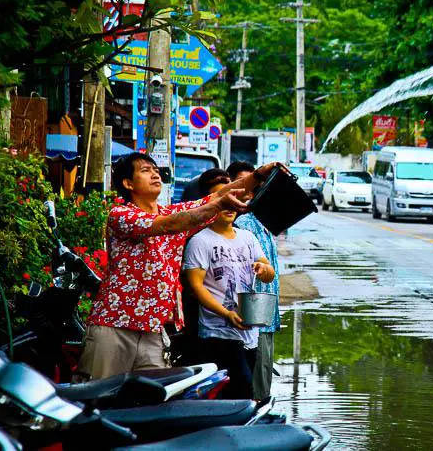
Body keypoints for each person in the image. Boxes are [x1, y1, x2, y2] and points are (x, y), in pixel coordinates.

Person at [77, 152, 276, 380]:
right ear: (128, 183)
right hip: (115, 325)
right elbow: (170, 224)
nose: (155, 174)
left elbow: (220, 195)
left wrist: (260, 175)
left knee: (152, 404)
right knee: (97, 399)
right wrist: (216, 204)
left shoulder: (171, 212)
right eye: (145, 170)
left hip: (154, 328)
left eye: (155, 169)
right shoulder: (121, 214)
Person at [182, 169, 275, 399]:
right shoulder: (200, 241)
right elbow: (195, 287)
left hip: (249, 331)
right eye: (221, 200)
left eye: (232, 200)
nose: (228, 206)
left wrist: (264, 270)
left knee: (242, 391)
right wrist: (226, 314)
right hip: (218, 333)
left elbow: (268, 271)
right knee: (240, 389)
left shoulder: (247, 238)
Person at [227, 161, 281, 401]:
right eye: (244, 186)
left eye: (255, 186)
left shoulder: (262, 220)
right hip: (248, 317)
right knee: (254, 390)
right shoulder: (240, 223)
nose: (250, 192)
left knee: (262, 381)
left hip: (265, 314)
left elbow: (269, 272)